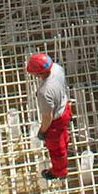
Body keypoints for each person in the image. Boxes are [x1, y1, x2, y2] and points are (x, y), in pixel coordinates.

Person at [26, 52, 72, 180]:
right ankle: (65, 143)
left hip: (56, 120)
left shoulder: (44, 92)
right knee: (64, 136)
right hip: (65, 107)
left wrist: (42, 131)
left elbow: (47, 117)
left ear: (39, 74)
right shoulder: (57, 68)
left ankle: (59, 171)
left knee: (56, 149)